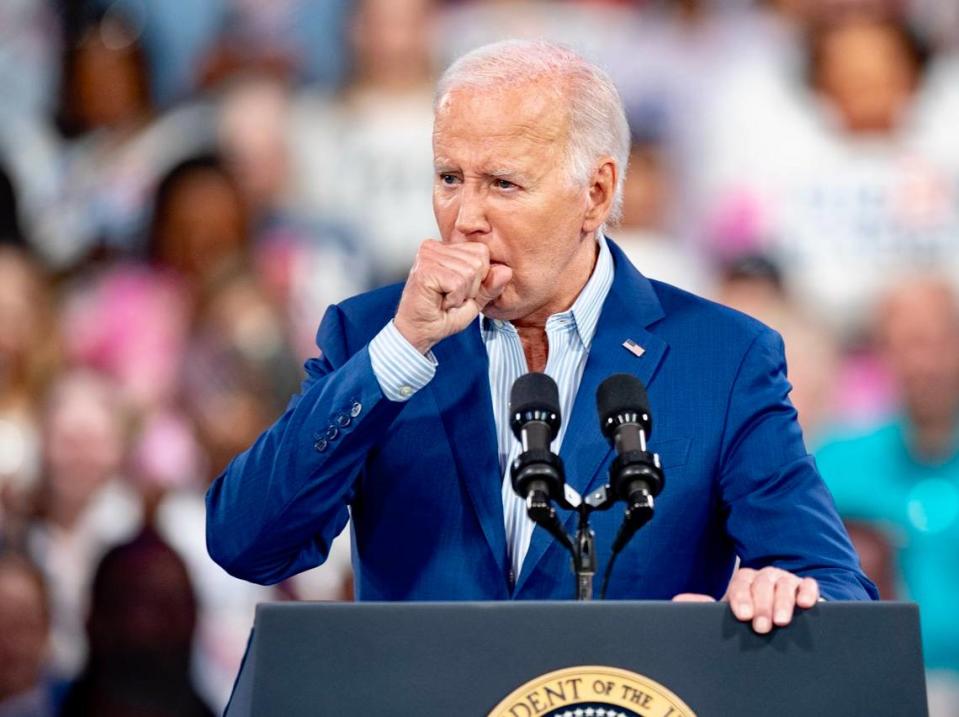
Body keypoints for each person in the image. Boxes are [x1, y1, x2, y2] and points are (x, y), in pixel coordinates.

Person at [206, 40, 876, 635]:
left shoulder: (722, 358)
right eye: (448, 178)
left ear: (595, 191)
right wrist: (396, 355)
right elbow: (246, 542)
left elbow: (834, 586)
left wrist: (781, 590)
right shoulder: (371, 337)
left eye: (502, 183)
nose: (465, 217)